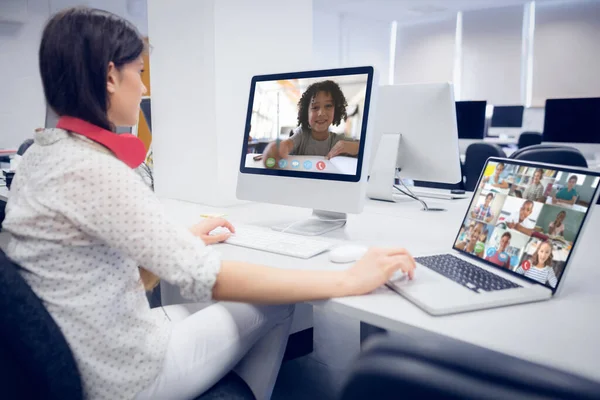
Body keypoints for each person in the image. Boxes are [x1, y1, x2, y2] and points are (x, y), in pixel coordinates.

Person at [1, 8, 416, 400]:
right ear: (111, 77)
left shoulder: (43, 154)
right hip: (125, 375)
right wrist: (350, 280)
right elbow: (209, 278)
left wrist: (176, 240)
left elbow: (95, 256)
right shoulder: (94, 168)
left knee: (240, 302)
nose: (144, 87)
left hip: (94, 348)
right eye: (139, 72)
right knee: (277, 300)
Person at [262, 80, 360, 166]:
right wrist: (280, 147)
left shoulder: (338, 140)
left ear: (336, 110)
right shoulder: (302, 134)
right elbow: (288, 144)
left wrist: (354, 146)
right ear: (306, 112)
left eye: (328, 106)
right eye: (315, 107)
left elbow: (366, 147)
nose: (321, 113)